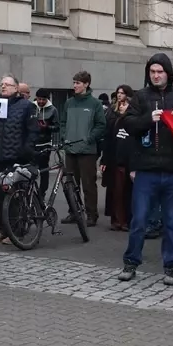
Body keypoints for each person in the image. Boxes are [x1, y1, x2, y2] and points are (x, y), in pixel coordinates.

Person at [117, 53, 173, 284]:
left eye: (159, 72)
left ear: (168, 73)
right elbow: (127, 125)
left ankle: (171, 266)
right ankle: (131, 262)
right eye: (152, 72)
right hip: (146, 170)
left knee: (172, 222)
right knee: (139, 220)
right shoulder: (140, 96)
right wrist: (147, 119)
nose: (156, 76)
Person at [0, 75, 37, 244]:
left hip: (15, 159)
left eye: (7, 84)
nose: (3, 87)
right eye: (1, 84)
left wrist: (25, 153)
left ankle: (17, 231)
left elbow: (32, 131)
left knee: (15, 197)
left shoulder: (26, 106)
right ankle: (3, 230)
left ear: (16, 88)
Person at [61, 70, 106, 229]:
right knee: (70, 184)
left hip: (87, 151)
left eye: (78, 83)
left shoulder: (95, 104)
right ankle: (74, 213)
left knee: (88, 185)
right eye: (74, 82)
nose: (74, 85)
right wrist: (64, 136)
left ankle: (91, 214)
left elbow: (101, 125)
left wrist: (89, 138)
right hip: (70, 149)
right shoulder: (69, 103)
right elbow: (63, 122)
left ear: (86, 84)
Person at [101, 84, 135, 231]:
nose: (120, 95)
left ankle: (126, 220)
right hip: (114, 158)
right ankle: (116, 220)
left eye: (123, 93)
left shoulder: (134, 114)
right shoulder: (112, 112)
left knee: (127, 192)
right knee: (115, 191)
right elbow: (108, 137)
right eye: (118, 93)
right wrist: (104, 159)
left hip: (128, 158)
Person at [32, 88, 59, 201]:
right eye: (39, 99)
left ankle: (42, 193)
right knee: (31, 170)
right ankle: (30, 193)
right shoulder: (31, 107)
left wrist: (47, 127)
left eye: (44, 99)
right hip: (32, 144)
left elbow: (57, 127)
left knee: (44, 170)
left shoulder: (53, 110)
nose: (41, 101)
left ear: (47, 99)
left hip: (45, 144)